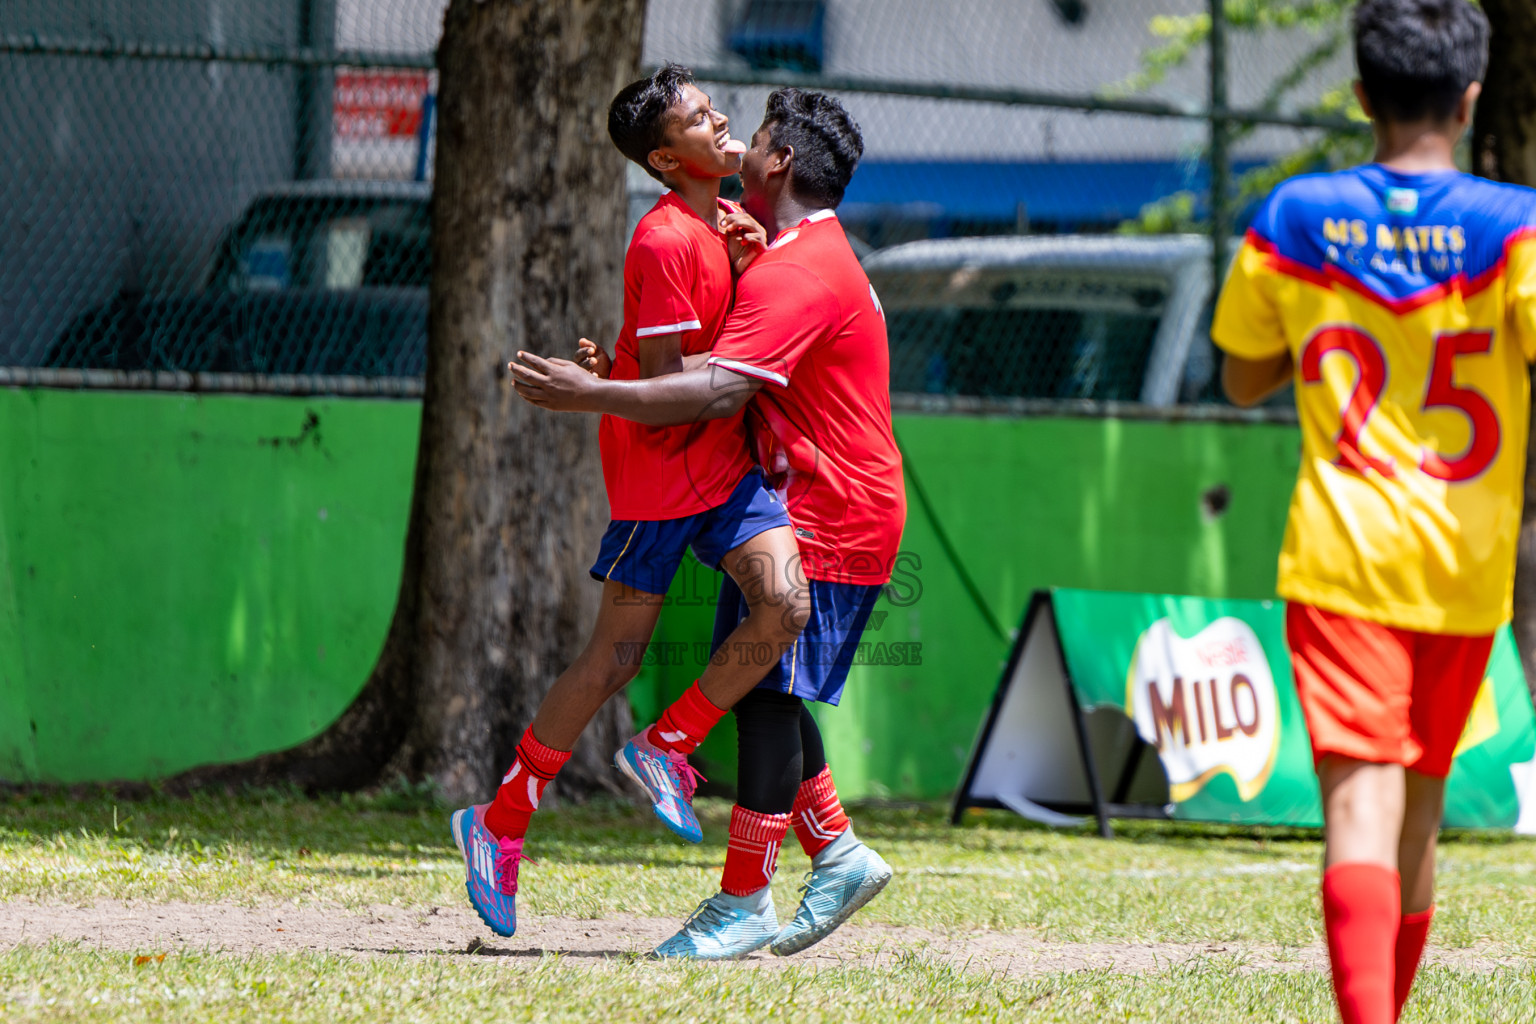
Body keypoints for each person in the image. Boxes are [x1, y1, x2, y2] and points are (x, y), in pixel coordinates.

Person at [512, 88, 907, 961]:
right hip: (829, 499)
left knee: (763, 690)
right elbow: (701, 357)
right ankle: (833, 850)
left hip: (830, 507)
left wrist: (596, 395)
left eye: (755, 135)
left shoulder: (796, 269)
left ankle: (741, 898)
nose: (733, 132)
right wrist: (620, 364)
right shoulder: (794, 250)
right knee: (771, 681)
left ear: (781, 165)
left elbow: (719, 386)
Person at [1212, 2, 1529, 1020]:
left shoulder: (1295, 217)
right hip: (1466, 562)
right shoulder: (1518, 227)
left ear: (1359, 97)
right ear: (1471, 95)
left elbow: (1241, 376)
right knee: (1419, 805)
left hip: (1344, 553)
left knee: (1361, 797)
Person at [451, 64, 810, 940]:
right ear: (663, 156)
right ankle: (498, 822)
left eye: (712, 106)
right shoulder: (661, 241)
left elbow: (711, 361)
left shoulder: (726, 222)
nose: (720, 119)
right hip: (658, 472)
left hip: (721, 467)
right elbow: (664, 383)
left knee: (787, 604)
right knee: (612, 660)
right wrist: (625, 379)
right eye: (697, 117)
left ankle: (667, 744)